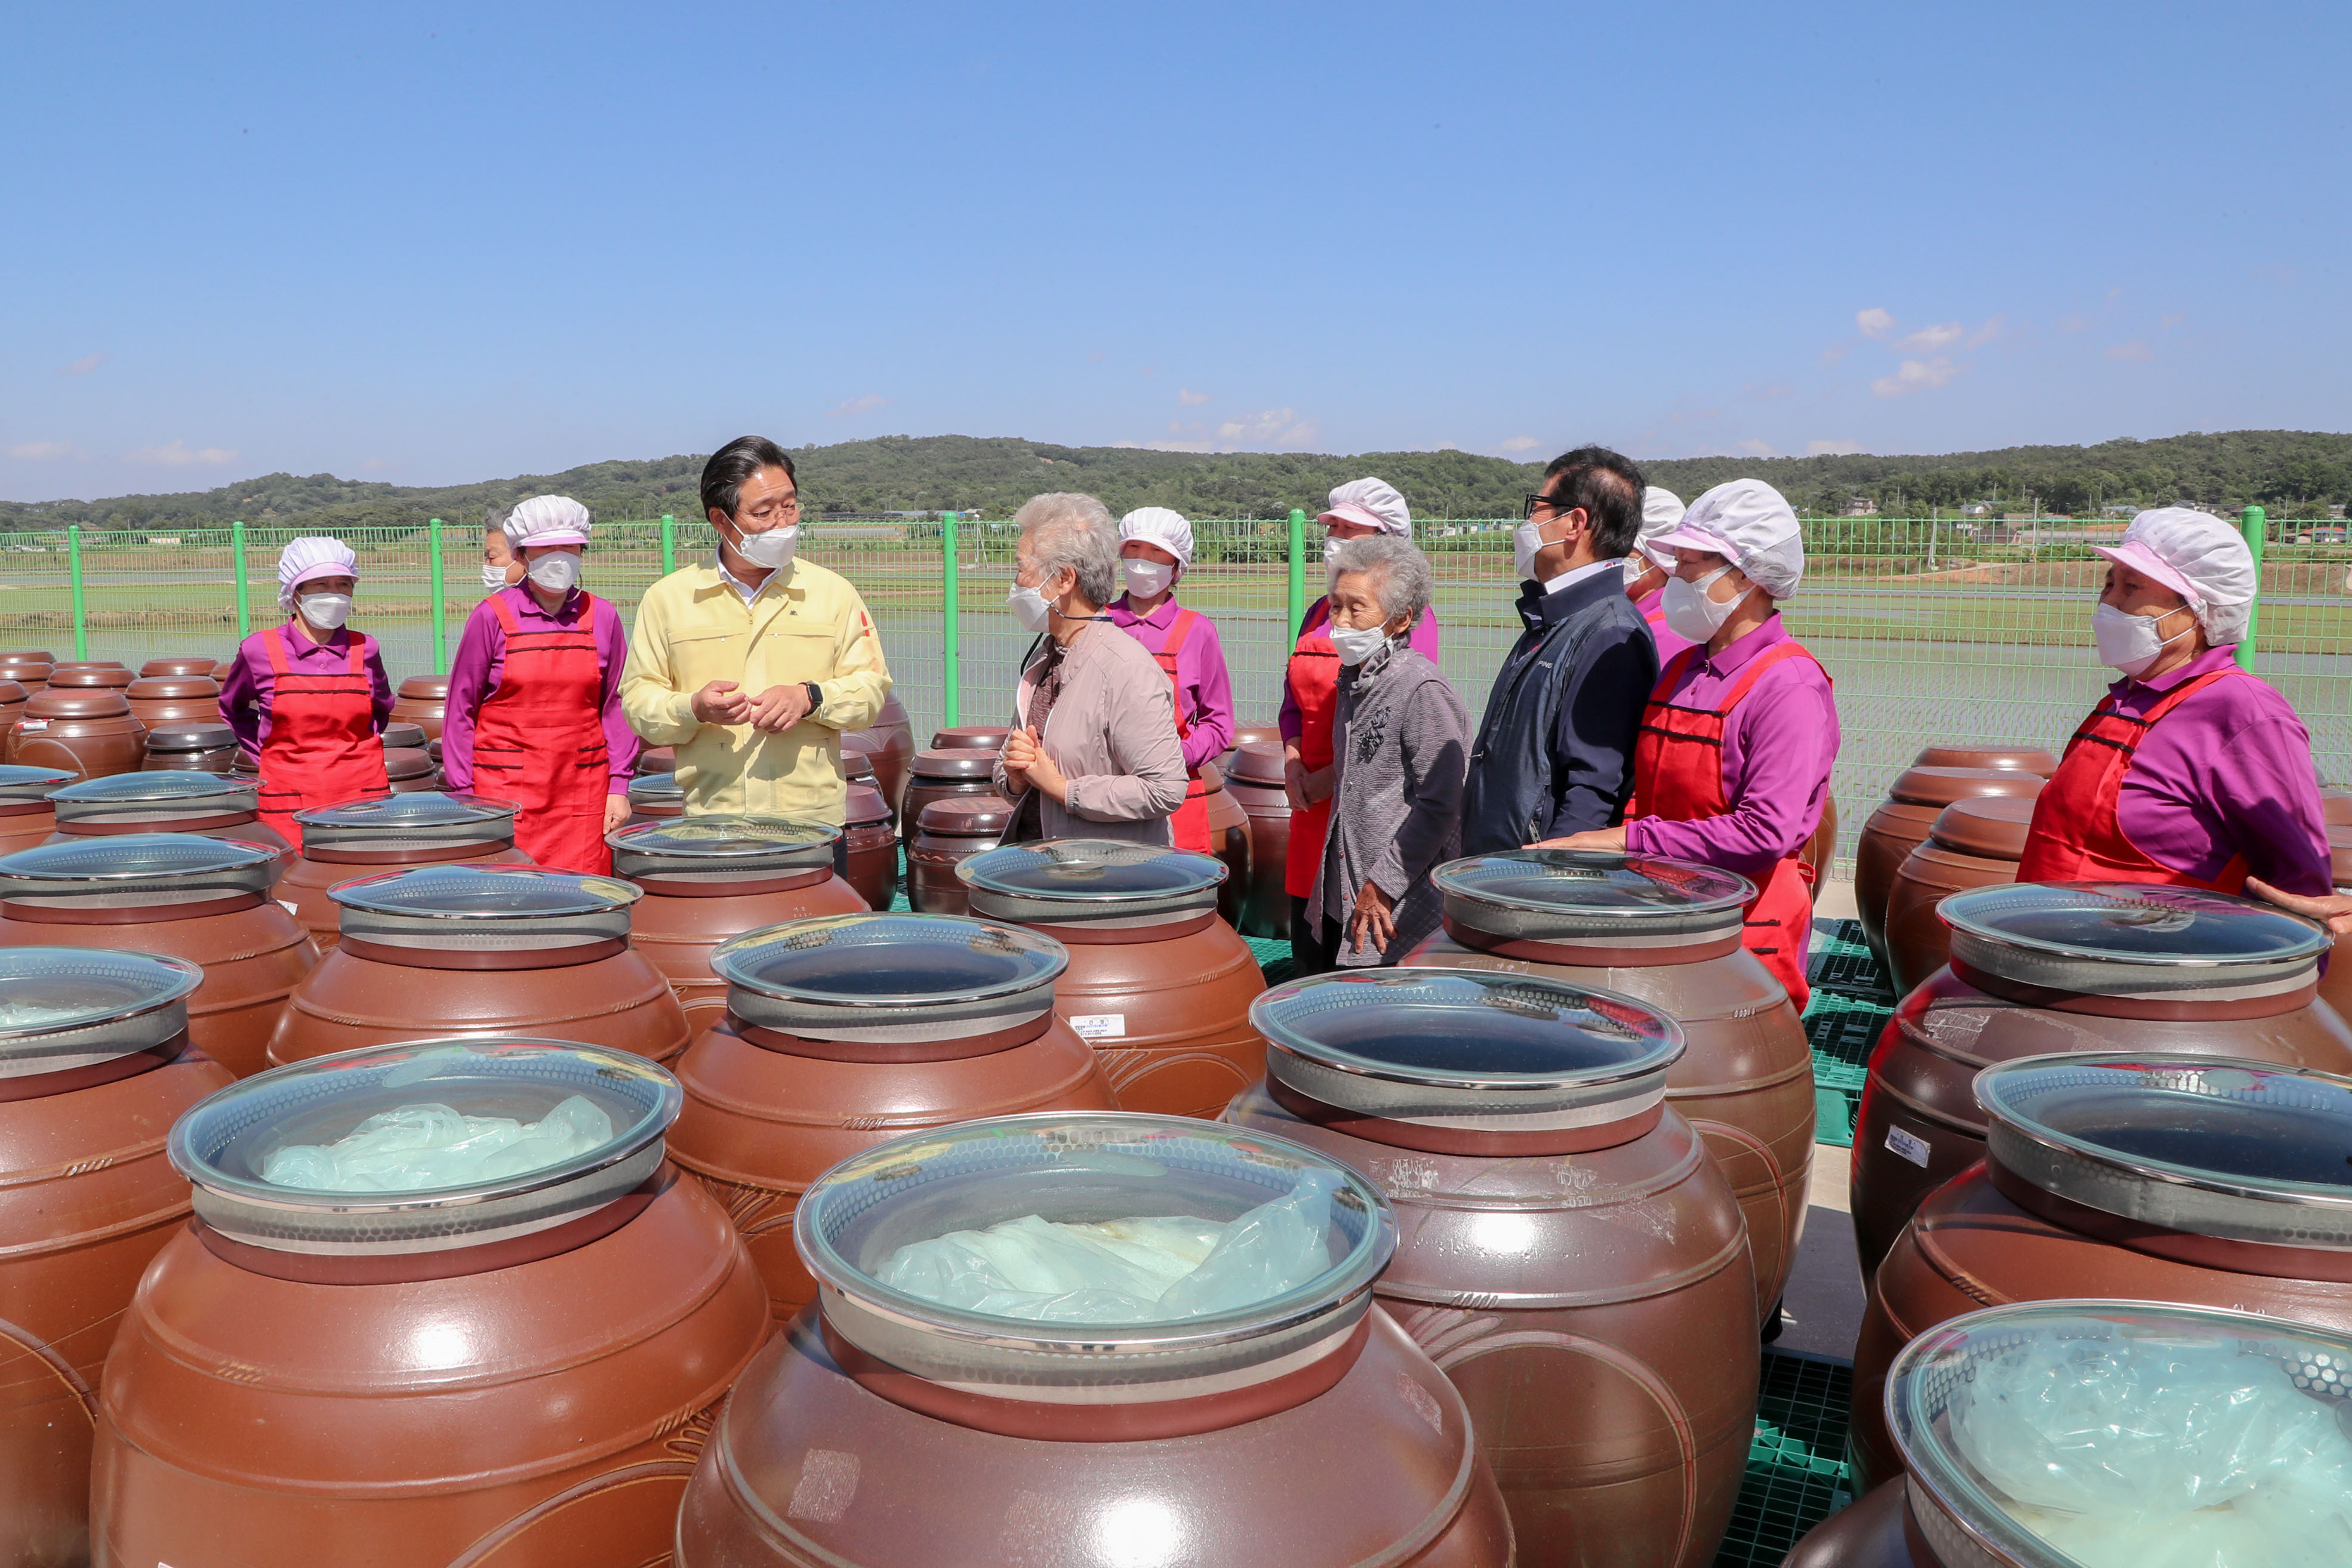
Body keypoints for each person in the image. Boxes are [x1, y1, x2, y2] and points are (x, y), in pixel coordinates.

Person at [1540, 479, 1839, 1011]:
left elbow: (1765, 831)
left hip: (1743, 921)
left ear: (1745, 576)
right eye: (1674, 559)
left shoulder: (1788, 685)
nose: (1675, 575)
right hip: (1668, 898)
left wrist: (1626, 842)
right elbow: (1649, 786)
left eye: (1692, 563)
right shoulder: (1685, 666)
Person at [2015, 507, 2329, 896]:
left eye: (2132, 588)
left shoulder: (2244, 713)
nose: (2109, 603)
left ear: (2200, 609)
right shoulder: (2123, 700)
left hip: (2153, 952)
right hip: (2043, 942)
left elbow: (2303, 888)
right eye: (2109, 584)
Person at [619, 436, 892, 825]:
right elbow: (638, 703)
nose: (783, 523)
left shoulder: (833, 593)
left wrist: (810, 697)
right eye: (764, 513)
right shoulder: (669, 600)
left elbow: (871, 690)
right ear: (720, 520)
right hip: (712, 824)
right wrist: (694, 707)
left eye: (790, 506)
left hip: (813, 826)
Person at [1457, 447, 1658, 856]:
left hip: (1531, 889)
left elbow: (1593, 793)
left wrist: (1544, 885)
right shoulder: (1553, 616)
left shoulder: (1612, 634)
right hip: (1497, 874)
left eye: (1539, 507)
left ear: (1574, 523)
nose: (1528, 521)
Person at [1280, 478, 1439, 970]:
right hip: (1308, 806)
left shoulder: (1413, 624)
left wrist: (1334, 776)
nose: (1338, 537)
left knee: (1355, 960)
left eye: (1353, 529)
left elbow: (1392, 723)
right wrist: (1291, 761)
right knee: (1308, 945)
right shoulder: (1316, 613)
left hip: (1363, 807)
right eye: (1334, 527)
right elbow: (1290, 701)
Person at [442, 495, 639, 874]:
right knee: (509, 898)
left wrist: (619, 786)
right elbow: (460, 712)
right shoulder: (491, 617)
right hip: (504, 792)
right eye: (546, 547)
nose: (559, 556)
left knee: (581, 897)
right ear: (522, 554)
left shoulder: (603, 616)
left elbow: (616, 707)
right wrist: (466, 795)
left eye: (569, 546)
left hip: (583, 792)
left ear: (583, 550)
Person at [1306, 535, 1469, 970]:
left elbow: (1442, 802)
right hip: (1351, 887)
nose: (1340, 620)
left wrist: (1384, 882)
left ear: (1401, 619)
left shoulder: (1420, 689)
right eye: (1335, 605)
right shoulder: (1354, 680)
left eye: (1356, 607)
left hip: (1395, 900)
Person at [994, 493, 1186, 843]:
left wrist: (1065, 790)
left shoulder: (1126, 669)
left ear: (1065, 579)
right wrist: (1016, 775)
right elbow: (1013, 774)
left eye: (1022, 568)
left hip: (1102, 881)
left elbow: (1165, 790)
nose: (1017, 582)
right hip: (1037, 868)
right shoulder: (1045, 659)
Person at [219, 535, 392, 845]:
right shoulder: (259, 649)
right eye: (321, 584)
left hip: (363, 795)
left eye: (344, 584)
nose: (335, 594)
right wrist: (268, 755)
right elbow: (233, 708)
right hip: (289, 799)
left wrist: (359, 751)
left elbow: (381, 708)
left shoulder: (365, 648)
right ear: (295, 591)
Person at [1106, 507, 1236, 852]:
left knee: (1177, 894)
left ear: (1177, 568)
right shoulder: (1096, 623)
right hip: (1101, 790)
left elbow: (1218, 722)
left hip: (1175, 792)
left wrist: (1175, 757)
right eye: (1134, 549)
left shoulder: (1198, 631)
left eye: (1156, 553)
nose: (1142, 561)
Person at [1622, 486, 1697, 663]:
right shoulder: (1630, 618)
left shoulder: (1666, 635)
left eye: (1625, 551)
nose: (1613, 560)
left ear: (1660, 557)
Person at [480, 506, 522, 593]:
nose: (486, 565)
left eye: (492, 557)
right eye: (486, 557)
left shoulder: (553, 604)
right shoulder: (493, 605)